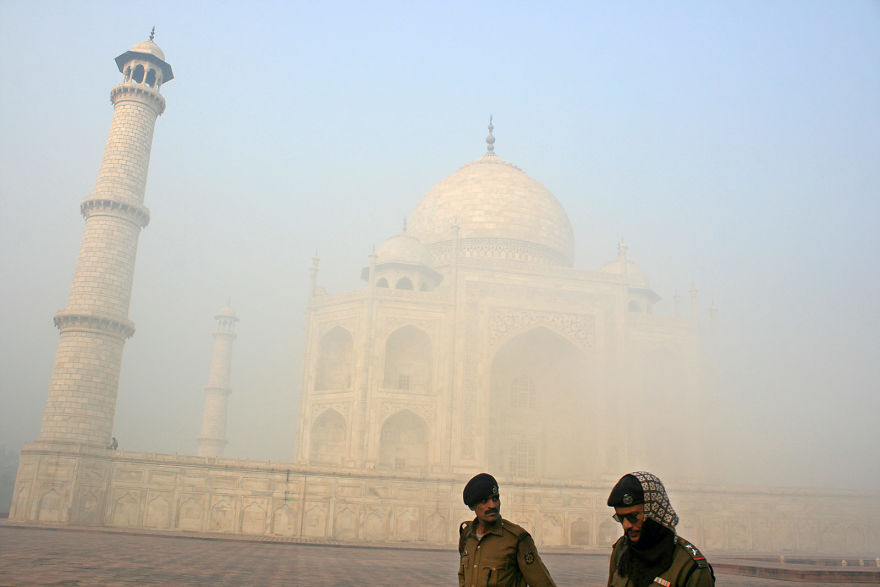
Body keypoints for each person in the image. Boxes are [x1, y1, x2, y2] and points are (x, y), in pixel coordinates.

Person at [606, 471, 715, 587]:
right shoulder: (622, 551)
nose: (626, 525)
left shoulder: (689, 567)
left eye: (633, 517)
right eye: (621, 518)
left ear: (654, 512)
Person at [458, 473, 557, 587]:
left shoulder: (516, 539)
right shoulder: (467, 536)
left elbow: (543, 583)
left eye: (495, 498)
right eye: (485, 501)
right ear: (472, 506)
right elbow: (463, 577)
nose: (493, 505)